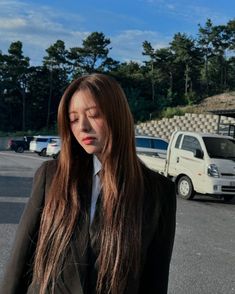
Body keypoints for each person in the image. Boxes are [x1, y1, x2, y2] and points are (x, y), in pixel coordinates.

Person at [1, 73, 176, 294]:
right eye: (73, 119)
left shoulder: (159, 192)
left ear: (117, 116)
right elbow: (20, 259)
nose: (82, 126)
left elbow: (155, 280)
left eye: (93, 115)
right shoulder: (51, 176)